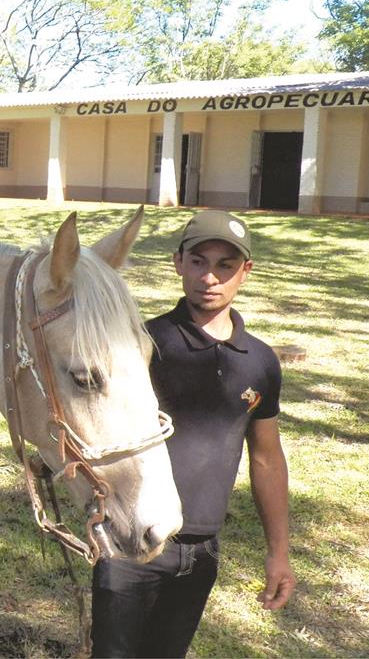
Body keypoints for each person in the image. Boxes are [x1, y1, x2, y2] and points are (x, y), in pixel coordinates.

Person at [89, 210, 296, 657]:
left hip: (202, 552)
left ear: (246, 271)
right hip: (130, 544)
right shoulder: (143, 344)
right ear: (178, 262)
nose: (210, 277)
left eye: (225, 265)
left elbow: (266, 458)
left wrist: (278, 551)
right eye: (199, 261)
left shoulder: (259, 362)